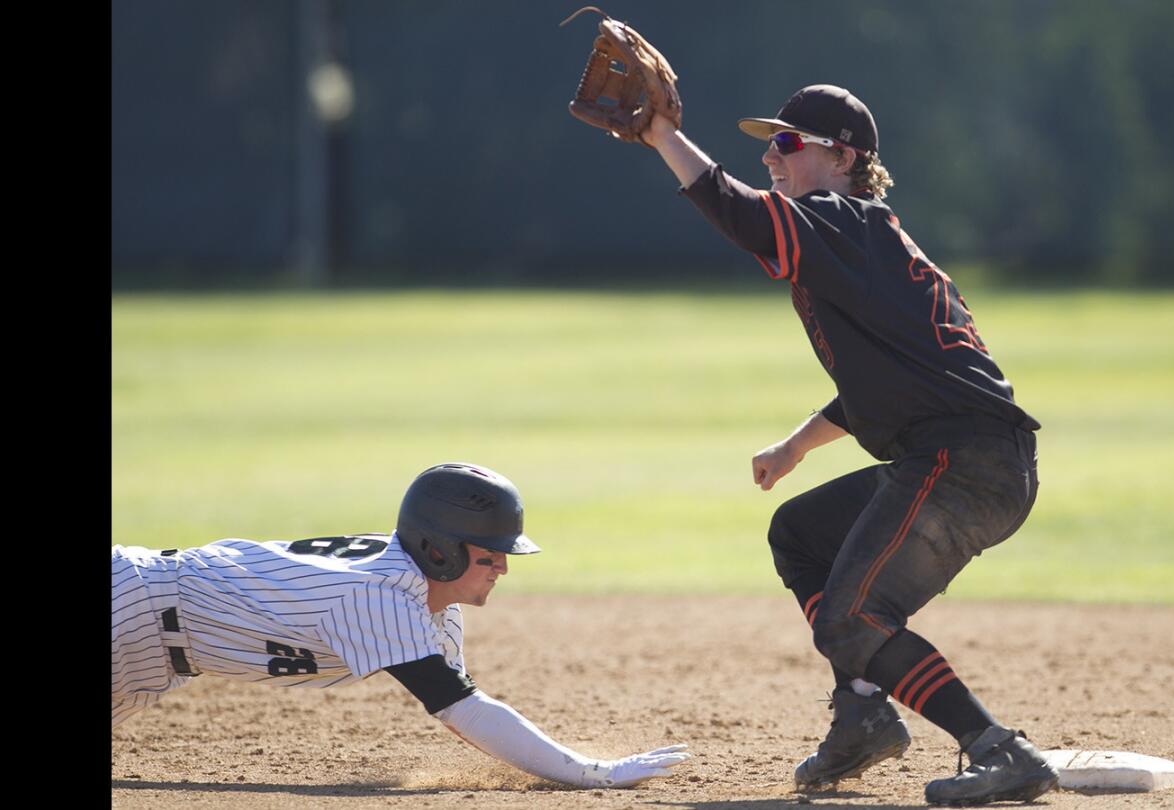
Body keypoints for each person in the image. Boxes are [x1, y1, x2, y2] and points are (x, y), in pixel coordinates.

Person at [640, 86, 1059, 805]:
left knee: (854, 617)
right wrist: (798, 446)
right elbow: (884, 382)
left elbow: (743, 217)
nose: (771, 153)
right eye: (770, 141)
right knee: (801, 535)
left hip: (965, 465)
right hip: (959, 456)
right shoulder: (861, 237)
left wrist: (659, 136)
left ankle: (1000, 749)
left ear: (842, 156)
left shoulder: (835, 219)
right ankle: (862, 712)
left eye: (788, 142)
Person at [111, 462, 691, 789]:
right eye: (488, 554)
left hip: (148, 650)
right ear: (439, 552)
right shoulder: (382, 598)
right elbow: (462, 708)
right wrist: (592, 773)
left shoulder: (431, 607)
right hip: (127, 611)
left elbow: (468, 711)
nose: (503, 568)